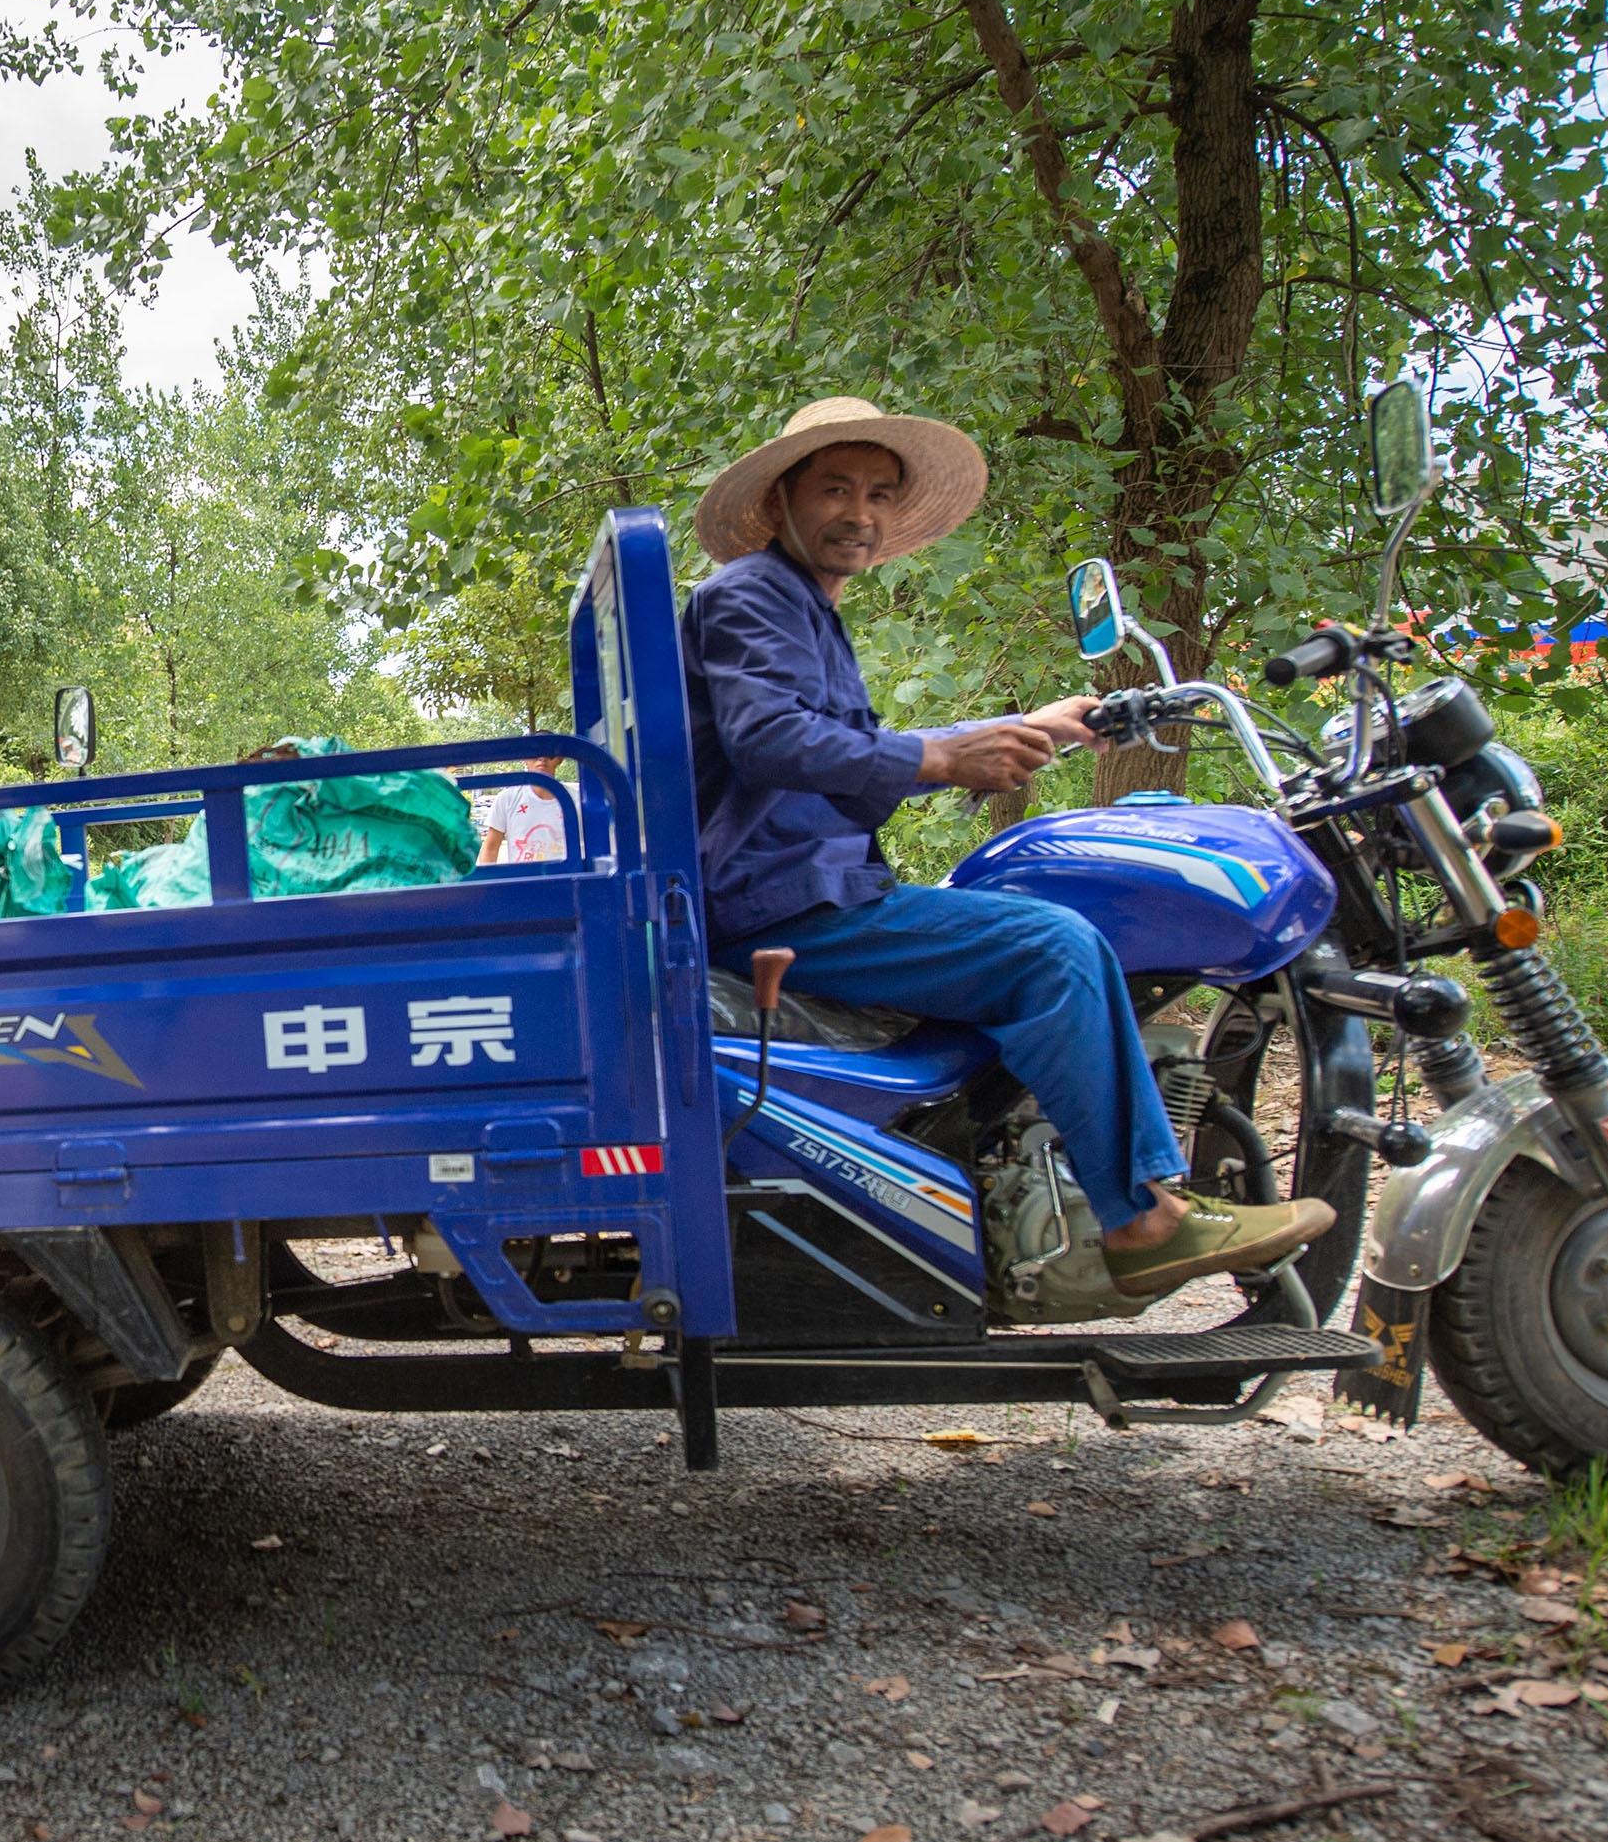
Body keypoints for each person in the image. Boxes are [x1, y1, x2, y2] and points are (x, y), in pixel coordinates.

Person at [681, 397, 1330, 1295]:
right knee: (1054, 947)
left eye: (877, 493)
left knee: (1041, 924)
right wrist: (942, 756)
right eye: (834, 488)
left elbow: (833, 742)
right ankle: (1145, 1217)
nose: (858, 513)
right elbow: (769, 738)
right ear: (782, 499)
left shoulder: (804, 607)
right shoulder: (751, 593)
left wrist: (1030, 729)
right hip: (780, 901)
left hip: (805, 889)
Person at [478, 758, 571, 865]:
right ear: (524, 758)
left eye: (549, 752)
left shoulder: (576, 799)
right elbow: (490, 850)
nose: (542, 758)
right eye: (533, 752)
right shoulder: (507, 799)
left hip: (564, 879)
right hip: (522, 879)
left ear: (559, 759)